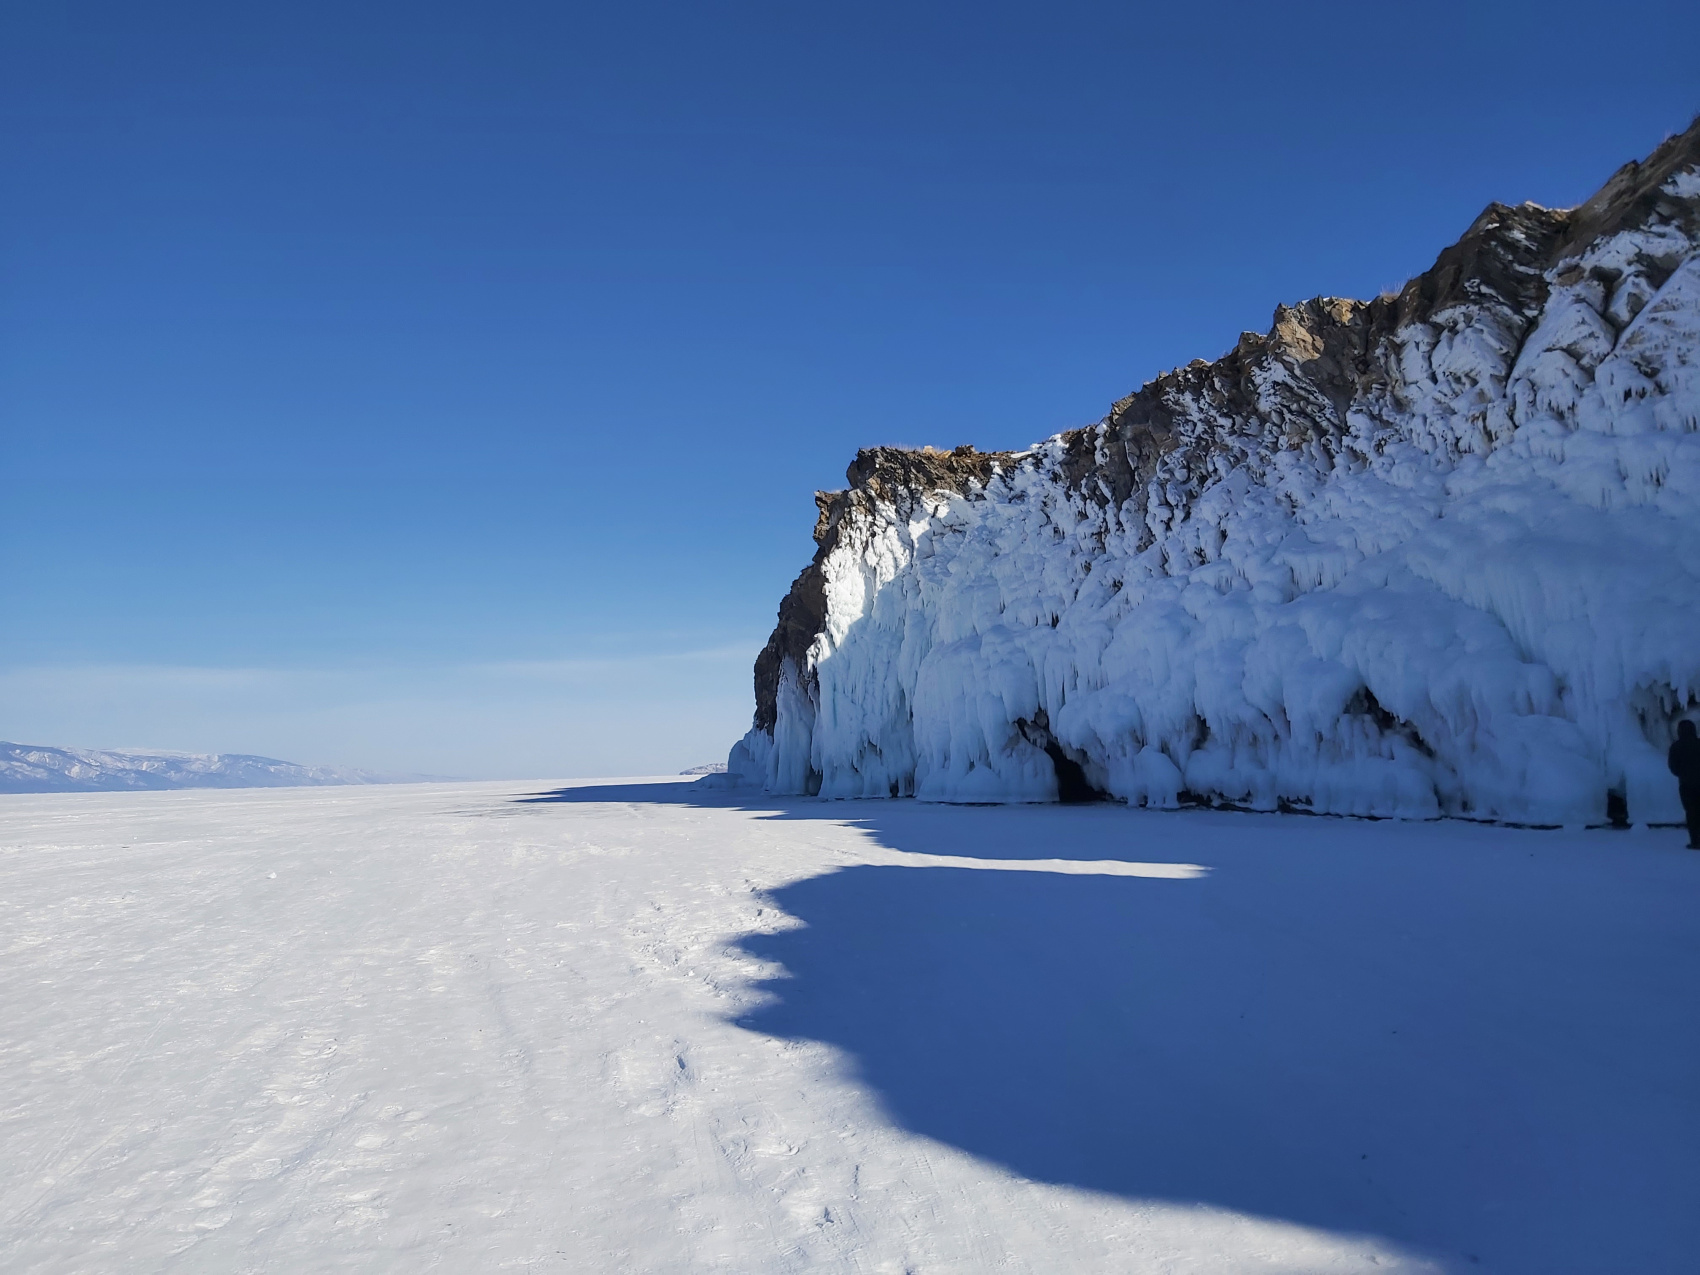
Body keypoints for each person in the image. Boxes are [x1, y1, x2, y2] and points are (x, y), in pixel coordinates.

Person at [1668, 720, 1700, 849]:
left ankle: (1695, 841)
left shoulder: (1676, 746)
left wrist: (1683, 774)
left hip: (1686, 785)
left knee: (1691, 813)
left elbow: (1673, 767)